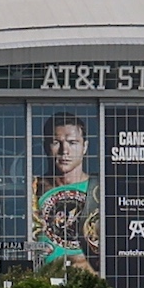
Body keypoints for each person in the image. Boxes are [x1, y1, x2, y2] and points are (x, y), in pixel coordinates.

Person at [29, 112, 101, 272]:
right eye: (56, 142)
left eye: (72, 142)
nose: (64, 151)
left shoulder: (100, 190)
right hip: (41, 284)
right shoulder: (32, 189)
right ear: (46, 146)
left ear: (85, 147)